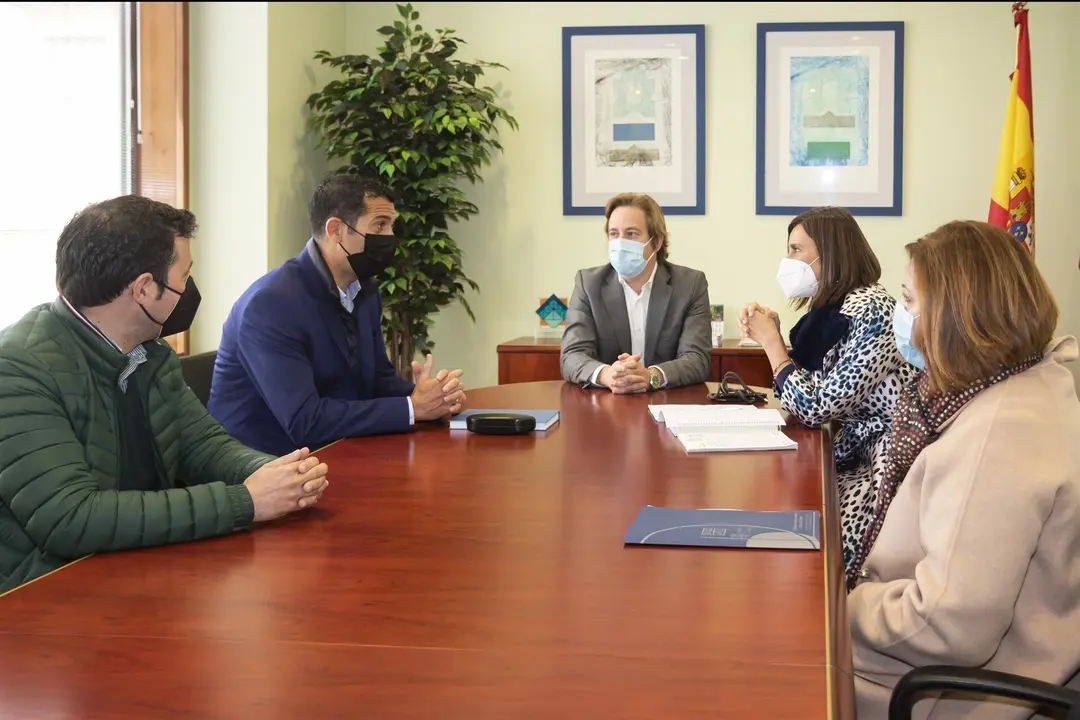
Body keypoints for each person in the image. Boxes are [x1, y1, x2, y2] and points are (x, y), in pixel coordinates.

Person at [0, 195, 330, 593]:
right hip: (42, 591)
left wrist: (279, 475)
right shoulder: (18, 368)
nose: (188, 290)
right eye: (183, 277)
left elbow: (205, 447)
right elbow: (70, 519)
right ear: (143, 288)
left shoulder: (149, 354)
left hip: (136, 566)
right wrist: (245, 501)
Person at [849, 220, 1080, 719]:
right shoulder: (1022, 380)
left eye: (908, 299)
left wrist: (839, 605)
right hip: (928, 653)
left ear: (955, 316)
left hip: (942, 691)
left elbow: (945, 624)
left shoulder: (1001, 431)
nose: (899, 314)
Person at [208, 173, 465, 456]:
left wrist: (431, 398)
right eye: (380, 225)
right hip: (262, 465)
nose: (390, 237)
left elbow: (377, 380)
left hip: (334, 451)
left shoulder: (365, 291)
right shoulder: (270, 305)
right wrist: (412, 409)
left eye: (391, 225)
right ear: (336, 230)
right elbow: (305, 421)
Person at [739, 206, 914, 584]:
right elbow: (804, 392)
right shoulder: (832, 309)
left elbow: (817, 406)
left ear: (830, 253)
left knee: (821, 559)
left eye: (796, 250)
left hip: (883, 460)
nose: (788, 261)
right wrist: (775, 336)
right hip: (852, 448)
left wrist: (772, 345)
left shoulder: (872, 310)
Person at [560, 192, 712, 393]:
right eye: (614, 234)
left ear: (656, 242)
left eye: (631, 234)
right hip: (606, 402)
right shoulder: (588, 284)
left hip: (665, 401)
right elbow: (572, 355)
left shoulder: (690, 284)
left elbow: (697, 359)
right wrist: (608, 375)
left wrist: (651, 376)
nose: (620, 242)